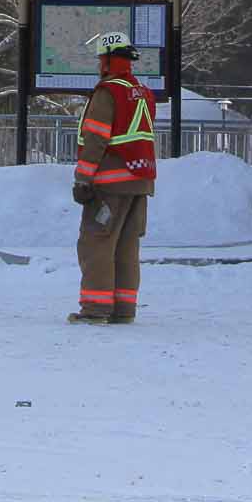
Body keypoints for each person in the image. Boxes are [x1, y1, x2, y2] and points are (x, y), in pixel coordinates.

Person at [68, 30, 158, 324]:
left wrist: (83, 180)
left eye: (100, 59)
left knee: (96, 242)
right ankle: (123, 309)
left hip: (111, 183)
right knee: (126, 246)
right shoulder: (141, 92)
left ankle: (95, 309)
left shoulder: (108, 92)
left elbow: (95, 138)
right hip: (139, 182)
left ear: (107, 61)